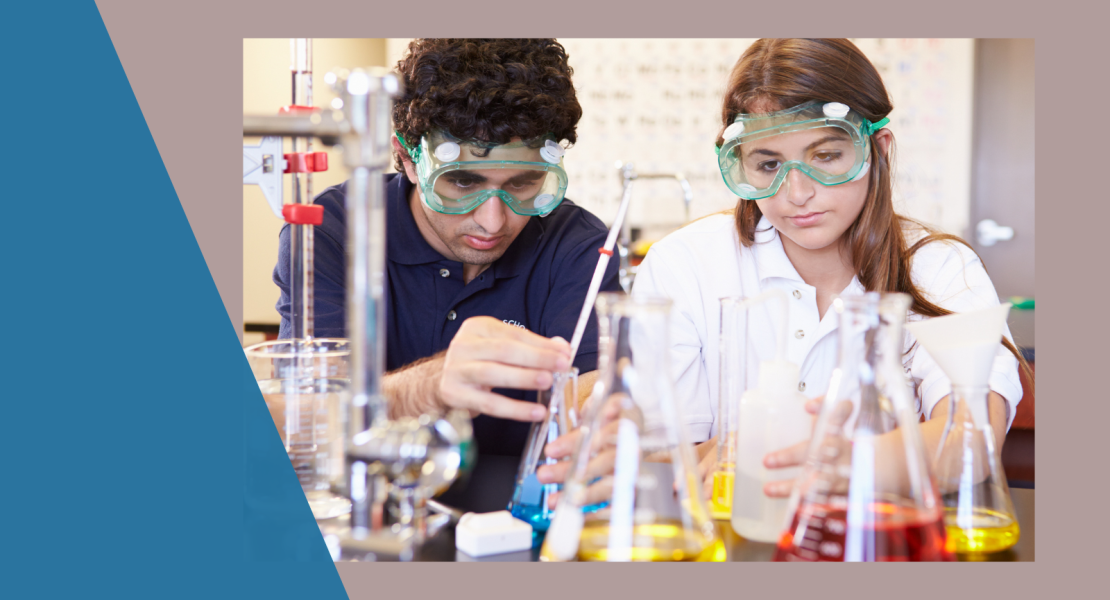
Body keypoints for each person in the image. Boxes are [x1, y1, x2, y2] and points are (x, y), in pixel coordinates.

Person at [537, 38, 1030, 501]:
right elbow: (660, 451)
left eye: (827, 156)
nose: (797, 193)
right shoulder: (688, 262)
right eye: (768, 165)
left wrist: (834, 461)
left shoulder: (940, 267)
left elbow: (971, 439)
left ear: (876, 152)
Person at [274, 39, 620, 459]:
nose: (493, 221)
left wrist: (601, 421)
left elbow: (592, 395)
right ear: (405, 158)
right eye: (463, 182)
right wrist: (433, 383)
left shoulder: (578, 245)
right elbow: (301, 416)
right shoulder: (332, 230)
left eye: (522, 184)